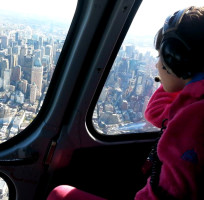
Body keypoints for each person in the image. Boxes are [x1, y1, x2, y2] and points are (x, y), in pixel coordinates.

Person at [47, 6, 204, 200]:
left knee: (59, 195)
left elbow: (169, 195)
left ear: (177, 60)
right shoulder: (193, 104)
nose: (156, 65)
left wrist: (177, 75)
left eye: (160, 57)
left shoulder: (193, 119)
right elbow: (158, 114)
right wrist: (185, 79)